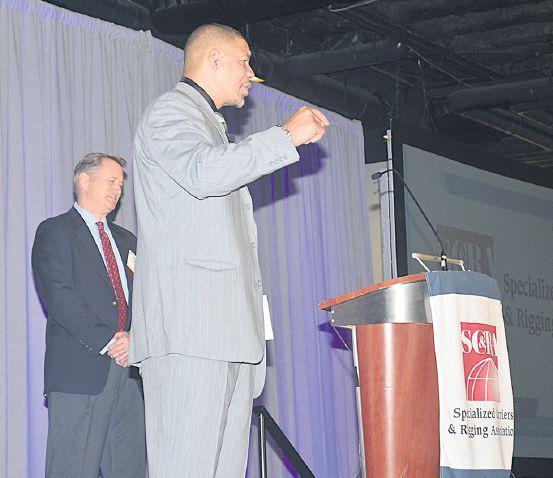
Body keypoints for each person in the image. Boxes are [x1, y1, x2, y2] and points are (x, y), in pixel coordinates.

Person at [129, 23, 329, 477]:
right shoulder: (170, 112)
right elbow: (203, 172)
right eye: (244, 61)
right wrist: (284, 136)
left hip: (225, 337)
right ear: (213, 59)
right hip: (190, 336)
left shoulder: (210, 127)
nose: (251, 74)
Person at [31, 153, 146, 478]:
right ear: (84, 180)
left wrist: (136, 339)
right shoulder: (56, 231)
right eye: (111, 181)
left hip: (129, 374)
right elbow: (59, 295)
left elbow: (146, 299)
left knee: (131, 469)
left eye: (120, 184)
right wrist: (110, 341)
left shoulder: (128, 241)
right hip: (80, 373)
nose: (117, 190)